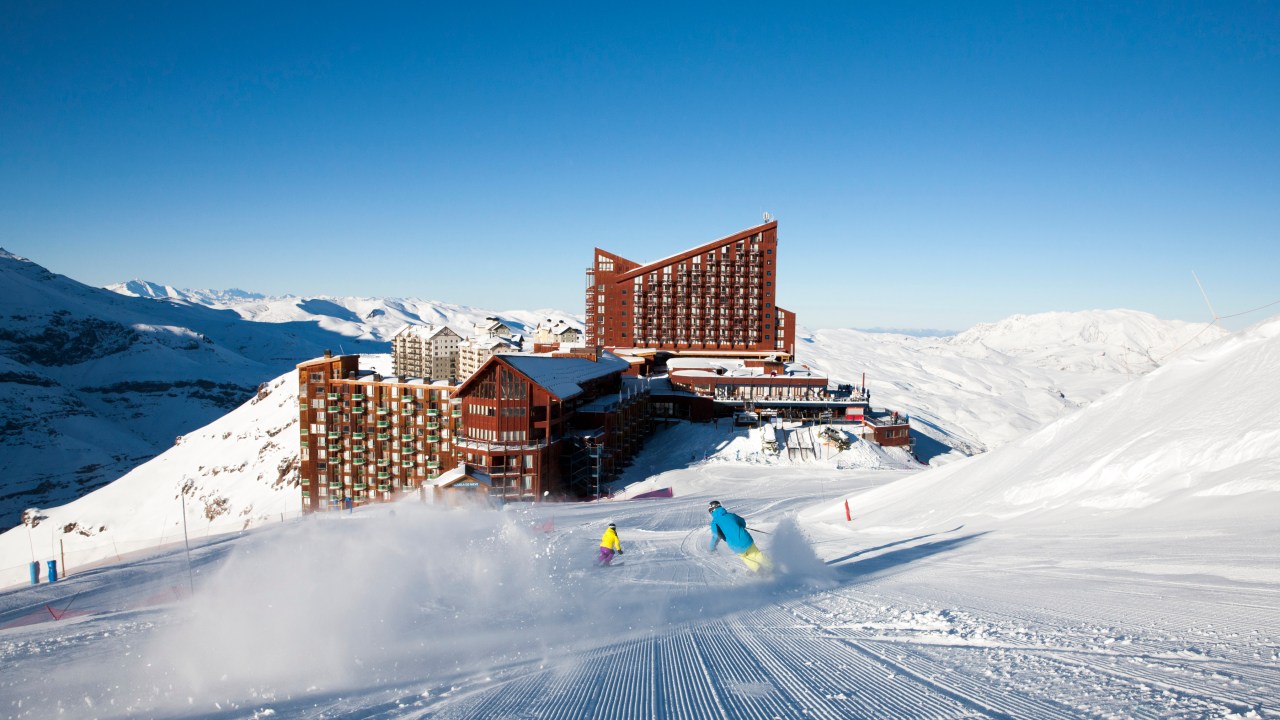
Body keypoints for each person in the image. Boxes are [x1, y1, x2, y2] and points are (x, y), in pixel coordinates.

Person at [707, 500, 772, 573]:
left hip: (735, 545)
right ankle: (771, 567)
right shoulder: (731, 515)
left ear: (711, 511)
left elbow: (715, 536)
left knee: (746, 558)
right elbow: (743, 523)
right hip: (746, 539)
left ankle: (760, 571)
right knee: (757, 554)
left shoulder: (714, 522)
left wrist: (712, 548)